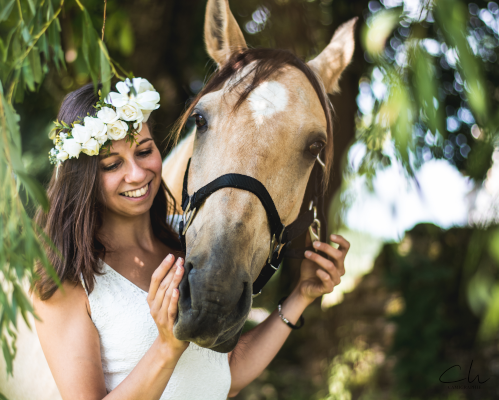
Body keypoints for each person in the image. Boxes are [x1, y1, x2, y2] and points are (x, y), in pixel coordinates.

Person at [32, 79, 350, 400]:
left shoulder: (191, 242)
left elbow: (226, 375)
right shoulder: (66, 280)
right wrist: (167, 348)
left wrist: (301, 296)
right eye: (113, 164)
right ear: (81, 177)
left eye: (144, 151)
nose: (138, 174)